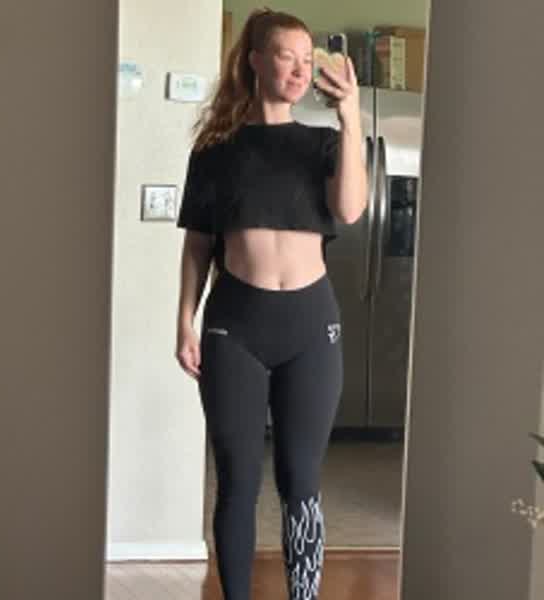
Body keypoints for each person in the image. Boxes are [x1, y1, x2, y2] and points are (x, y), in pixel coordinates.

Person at [175, 7, 367, 600]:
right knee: (236, 483)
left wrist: (351, 116)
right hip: (235, 328)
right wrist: (184, 322)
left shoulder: (323, 143)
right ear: (256, 60)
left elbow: (350, 209)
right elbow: (198, 244)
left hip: (311, 329)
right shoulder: (216, 148)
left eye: (308, 60)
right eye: (288, 56)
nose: (301, 70)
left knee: (301, 480)